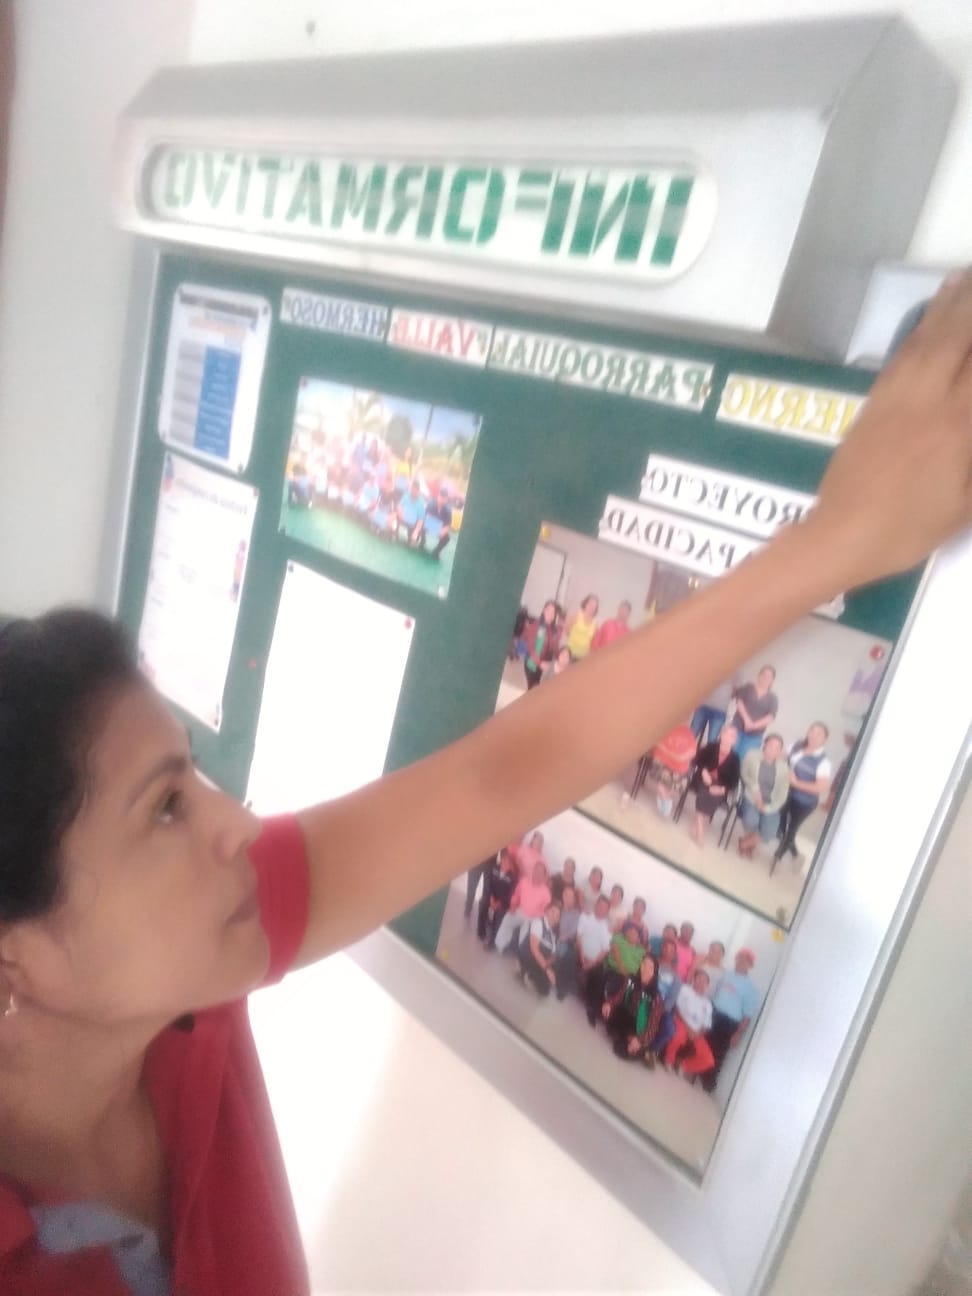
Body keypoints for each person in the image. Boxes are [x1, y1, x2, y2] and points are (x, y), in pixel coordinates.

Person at [2, 272, 971, 1292]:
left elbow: (496, 778)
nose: (238, 823)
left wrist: (838, 541)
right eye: (164, 809)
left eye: (193, 778)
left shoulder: (189, 998)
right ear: (16, 963)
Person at [774, 723, 832, 869]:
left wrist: (797, 783)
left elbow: (820, 788)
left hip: (805, 802)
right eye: (812, 731)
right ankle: (795, 854)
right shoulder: (797, 745)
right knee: (780, 826)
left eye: (819, 734)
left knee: (792, 829)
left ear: (824, 739)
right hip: (786, 793)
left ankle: (776, 859)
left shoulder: (823, 762)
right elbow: (781, 756)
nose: (813, 735)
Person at [704, 949, 761, 1093]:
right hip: (714, 1013)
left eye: (745, 960)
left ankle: (708, 1083)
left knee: (718, 1053)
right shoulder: (726, 974)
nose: (741, 962)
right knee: (703, 1043)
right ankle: (694, 1072)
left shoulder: (751, 988)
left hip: (729, 1023)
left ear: (750, 965)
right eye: (739, 958)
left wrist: (738, 1034)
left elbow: (747, 1015)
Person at [603, 953, 664, 1065]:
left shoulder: (656, 998)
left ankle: (641, 1049)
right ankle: (624, 1037)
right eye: (644, 964)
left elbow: (652, 1028)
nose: (645, 969)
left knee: (621, 1050)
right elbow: (619, 996)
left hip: (638, 1028)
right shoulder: (631, 980)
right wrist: (609, 1004)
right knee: (609, 1014)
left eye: (650, 968)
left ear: (654, 973)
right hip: (626, 1016)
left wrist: (640, 1040)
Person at [736, 733, 790, 858]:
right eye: (770, 745)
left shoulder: (784, 768)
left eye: (777, 748)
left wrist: (767, 808)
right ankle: (750, 845)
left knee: (770, 832)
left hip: (771, 803)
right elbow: (744, 773)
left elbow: (783, 795)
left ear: (780, 751)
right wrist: (755, 788)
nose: (772, 750)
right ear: (764, 745)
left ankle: (745, 843)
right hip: (752, 797)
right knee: (751, 820)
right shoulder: (752, 755)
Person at [585, 920, 645, 1026]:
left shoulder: (641, 951)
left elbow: (642, 966)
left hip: (629, 977)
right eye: (629, 931)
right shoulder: (619, 937)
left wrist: (632, 976)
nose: (630, 933)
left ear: (638, 938)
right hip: (613, 968)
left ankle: (606, 1013)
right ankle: (593, 1010)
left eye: (634, 933)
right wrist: (622, 968)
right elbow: (614, 949)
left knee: (621, 987)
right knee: (607, 979)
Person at [689, 724, 741, 846]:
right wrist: (703, 771)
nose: (729, 737)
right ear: (721, 735)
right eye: (727, 734)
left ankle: (698, 821)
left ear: (735, 741)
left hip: (721, 786)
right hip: (703, 779)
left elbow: (734, 781)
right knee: (704, 791)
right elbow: (696, 760)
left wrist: (723, 789)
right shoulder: (710, 747)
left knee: (714, 795)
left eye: (733, 736)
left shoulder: (735, 759)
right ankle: (700, 830)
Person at [664, 969, 716, 1081]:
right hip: (681, 1021)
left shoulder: (708, 1004)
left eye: (704, 981)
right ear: (694, 979)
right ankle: (669, 1060)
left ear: (707, 986)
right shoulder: (684, 989)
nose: (701, 982)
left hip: (696, 1032)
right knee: (678, 1037)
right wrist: (688, 1029)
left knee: (709, 1060)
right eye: (699, 978)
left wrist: (697, 1034)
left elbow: (707, 1025)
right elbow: (677, 1009)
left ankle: (683, 1065)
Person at [493, 857, 551, 954]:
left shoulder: (546, 892)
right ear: (533, 871)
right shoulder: (524, 881)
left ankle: (521, 952)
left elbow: (545, 912)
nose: (537, 874)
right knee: (508, 918)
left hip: (534, 917)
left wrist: (534, 916)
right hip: (520, 911)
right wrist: (513, 905)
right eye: (536, 870)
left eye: (540, 872)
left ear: (544, 876)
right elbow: (516, 896)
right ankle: (501, 946)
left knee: (526, 926)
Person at [560, 893, 612, 999]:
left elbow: (605, 950)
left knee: (600, 977)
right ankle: (563, 987)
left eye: (604, 908)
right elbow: (579, 936)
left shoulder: (608, 928)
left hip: (594, 961)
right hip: (580, 952)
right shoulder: (585, 916)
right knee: (569, 955)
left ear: (607, 911)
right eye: (600, 905)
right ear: (596, 905)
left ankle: (582, 991)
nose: (601, 909)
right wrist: (581, 954)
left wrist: (593, 962)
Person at [730, 667, 779, 761]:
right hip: (736, 729)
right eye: (764, 674)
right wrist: (747, 721)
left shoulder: (773, 698)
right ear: (759, 675)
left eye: (769, 677)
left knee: (742, 760)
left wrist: (753, 725)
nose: (766, 678)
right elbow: (739, 702)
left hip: (754, 736)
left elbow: (770, 717)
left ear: (772, 680)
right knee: (728, 755)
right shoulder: (748, 687)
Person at [516, 901, 561, 997]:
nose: (554, 916)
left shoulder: (554, 934)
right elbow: (534, 948)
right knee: (545, 984)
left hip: (541, 960)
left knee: (545, 990)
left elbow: (553, 955)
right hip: (528, 954)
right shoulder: (538, 923)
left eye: (557, 915)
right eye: (552, 912)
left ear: (558, 920)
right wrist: (547, 969)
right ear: (546, 911)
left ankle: (532, 975)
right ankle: (526, 971)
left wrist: (548, 964)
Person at [650, 936, 683, 1060]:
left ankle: (652, 1051)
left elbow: (672, 998)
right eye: (665, 948)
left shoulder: (676, 977)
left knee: (670, 1029)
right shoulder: (651, 962)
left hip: (662, 1007)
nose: (667, 951)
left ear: (674, 955)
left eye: (671, 950)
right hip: (644, 998)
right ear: (661, 949)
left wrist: (660, 1010)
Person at [479, 848, 519, 949]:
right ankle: (481, 931)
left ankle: (491, 942)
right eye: (503, 861)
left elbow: (510, 894)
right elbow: (488, 885)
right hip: (492, 896)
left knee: (499, 914)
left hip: (503, 902)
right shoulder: (493, 868)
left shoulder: (513, 878)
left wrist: (499, 903)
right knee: (482, 903)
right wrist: (491, 898)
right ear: (500, 861)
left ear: (511, 865)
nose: (505, 864)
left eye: (508, 863)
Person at [522, 600, 560, 689]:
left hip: (546, 664)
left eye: (553, 611)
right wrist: (540, 663)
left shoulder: (554, 630)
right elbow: (531, 648)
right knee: (532, 689)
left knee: (539, 687)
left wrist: (560, 659)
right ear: (544, 610)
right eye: (548, 610)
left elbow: (555, 648)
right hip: (532, 663)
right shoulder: (536, 625)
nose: (551, 613)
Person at [564, 595, 599, 660]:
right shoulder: (576, 615)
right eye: (590, 604)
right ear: (585, 604)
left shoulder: (595, 624)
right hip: (570, 653)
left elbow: (593, 641)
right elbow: (566, 630)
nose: (592, 607)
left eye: (594, 606)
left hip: (583, 657)